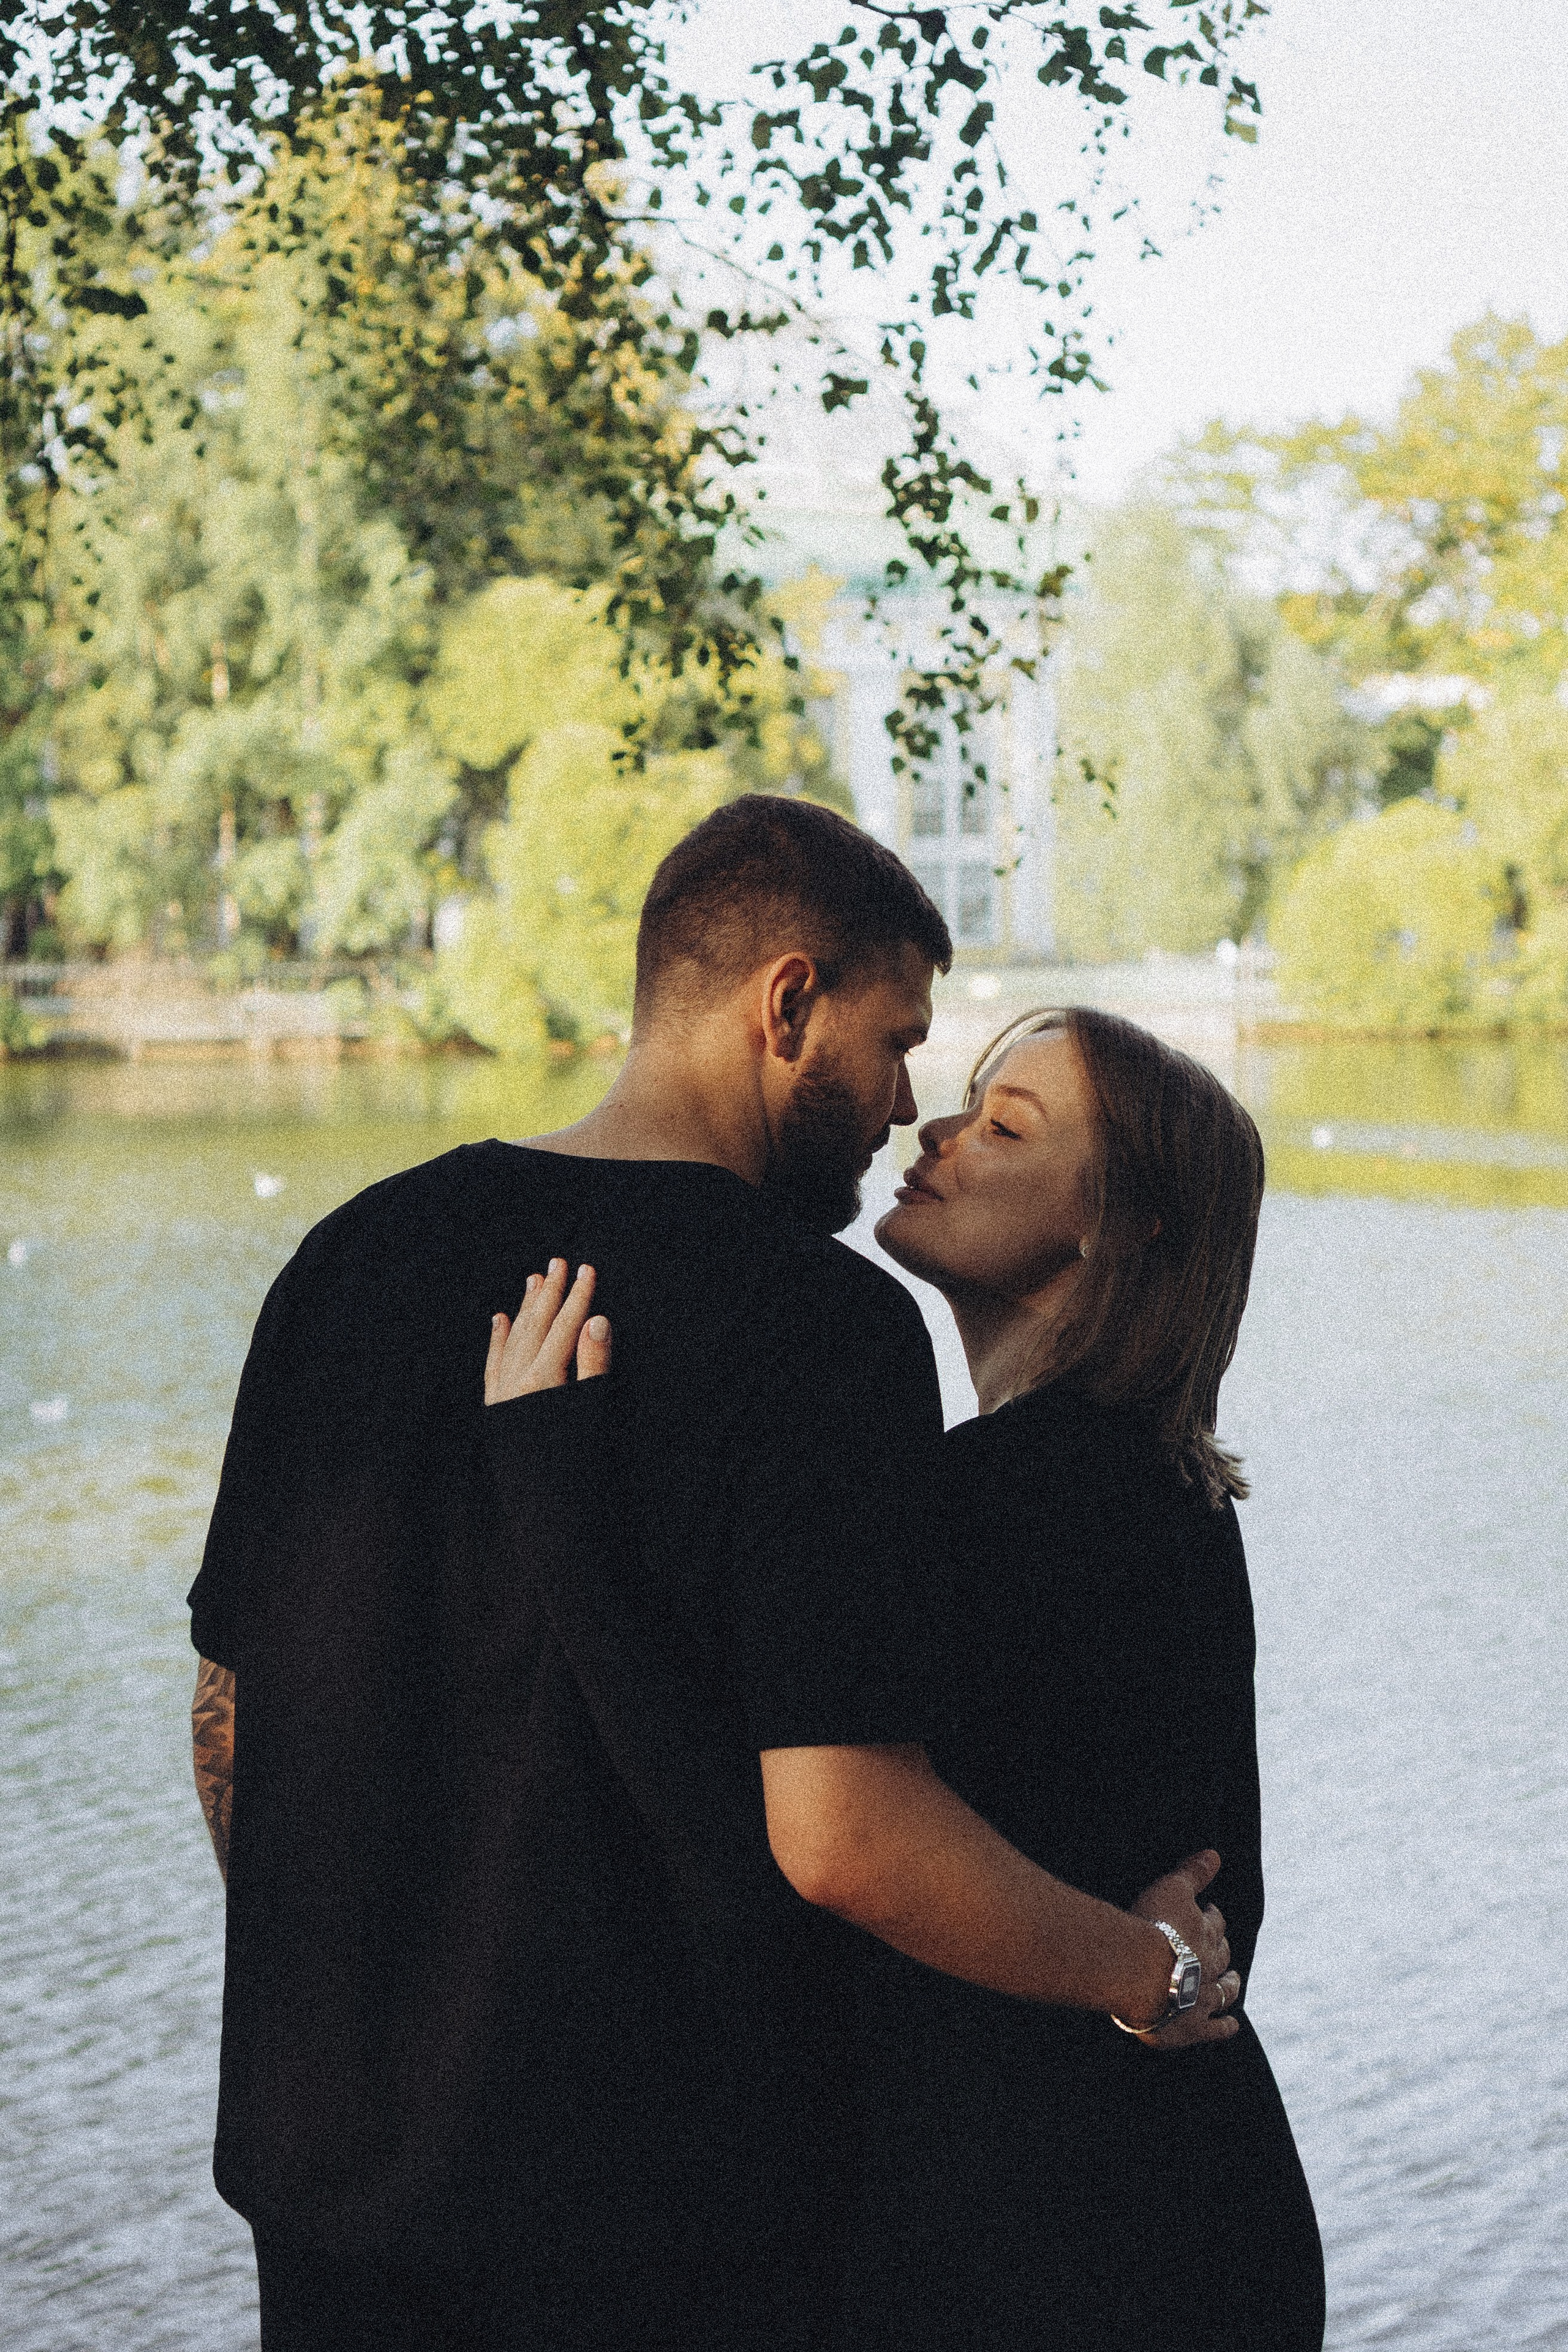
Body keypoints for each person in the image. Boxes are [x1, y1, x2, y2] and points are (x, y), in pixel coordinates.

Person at [189, 797, 1238, 2352]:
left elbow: (228, 1720)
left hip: (332, 2182)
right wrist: (1141, 1969)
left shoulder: (347, 1258)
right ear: (787, 1006)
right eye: (892, 1045)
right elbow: (843, 1828)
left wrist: (375, 1977)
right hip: (650, 2214)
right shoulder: (819, 1330)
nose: (897, 1106)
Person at [496, 1003, 1325, 2350]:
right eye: (965, 1099)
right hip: (1168, 2199)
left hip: (1067, 2251)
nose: (936, 1127)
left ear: (1118, 1228)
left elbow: (757, 1822)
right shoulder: (1156, 1483)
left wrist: (550, 1499)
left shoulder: (1005, 1497)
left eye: (1006, 1127)